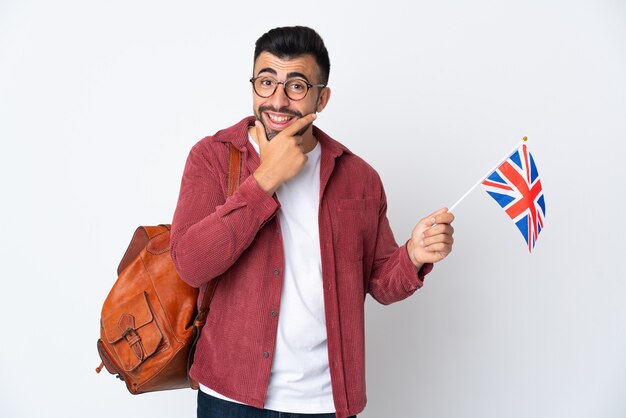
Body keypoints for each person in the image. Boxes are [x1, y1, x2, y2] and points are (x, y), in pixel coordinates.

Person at [171, 26, 455, 418]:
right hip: (230, 398)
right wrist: (266, 179)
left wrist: (414, 254)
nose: (278, 100)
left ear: (322, 97)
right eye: (266, 82)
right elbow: (190, 263)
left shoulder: (359, 178)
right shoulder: (214, 158)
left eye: (297, 86)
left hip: (325, 402)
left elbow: (381, 284)